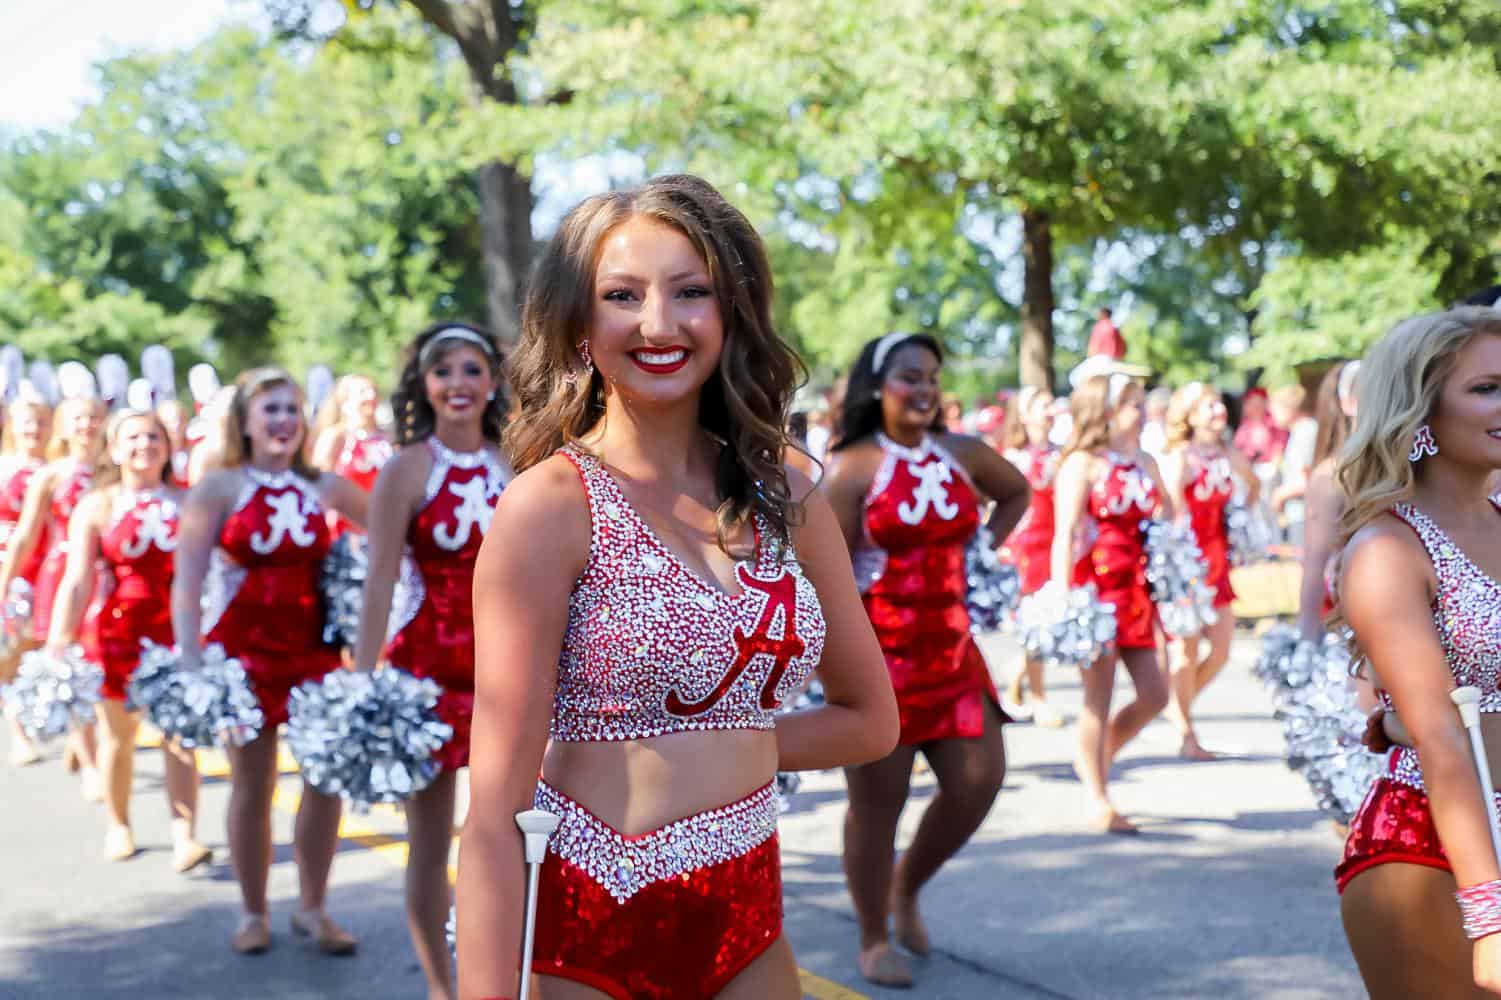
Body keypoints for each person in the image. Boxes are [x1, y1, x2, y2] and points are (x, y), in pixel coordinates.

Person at [456, 174, 899, 1000]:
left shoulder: (789, 494)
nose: (658, 324)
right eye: (620, 295)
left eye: (691, 291)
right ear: (579, 325)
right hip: (584, 925)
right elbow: (491, 818)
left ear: (730, 312)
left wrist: (740, 743)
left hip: (746, 920)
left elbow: (871, 722)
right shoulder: (549, 507)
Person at [821, 332, 1029, 987]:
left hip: (954, 655)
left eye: (932, 378)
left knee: (978, 779)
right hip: (879, 662)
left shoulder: (962, 453)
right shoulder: (852, 468)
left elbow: (1017, 492)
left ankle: (906, 887)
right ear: (876, 387)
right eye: (910, 377)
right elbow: (824, 574)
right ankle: (872, 935)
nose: (924, 390)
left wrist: (982, 553)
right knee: (877, 806)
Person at [171, 367, 368, 955]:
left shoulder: (325, 485)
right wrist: (191, 662)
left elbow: (394, 531)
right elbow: (187, 581)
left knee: (324, 779)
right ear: (246, 423)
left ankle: (313, 907)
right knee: (252, 785)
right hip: (244, 659)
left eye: (291, 410)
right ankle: (253, 912)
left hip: (314, 656)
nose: (283, 421)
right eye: (271, 410)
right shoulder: (218, 487)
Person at [1333, 307, 1501, 997]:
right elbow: (1437, 737)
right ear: (1419, 409)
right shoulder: (1385, 552)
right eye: (1486, 388)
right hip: (1428, 850)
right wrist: (1488, 919)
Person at [352, 323, 512, 1000]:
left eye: (471, 369)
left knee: (504, 827)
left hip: (511, 670)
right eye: (442, 371)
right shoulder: (406, 468)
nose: (457, 384)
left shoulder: (521, 460)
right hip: (426, 673)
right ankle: (442, 989)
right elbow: (381, 579)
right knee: (429, 836)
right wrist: (362, 680)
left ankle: (507, 972)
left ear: (493, 382)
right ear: (424, 385)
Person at [45, 409, 209, 870]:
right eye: (133, 438)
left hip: (177, 632)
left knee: (180, 736)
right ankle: (120, 824)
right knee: (119, 738)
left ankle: (185, 835)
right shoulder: (96, 505)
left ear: (167, 445)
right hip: (118, 632)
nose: (144, 446)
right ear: (114, 450)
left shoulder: (188, 501)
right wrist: (60, 637)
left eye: (154, 437)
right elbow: (77, 579)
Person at [1051, 374, 1172, 833]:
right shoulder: (1081, 463)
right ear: (1104, 410)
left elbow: (1168, 515)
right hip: (1094, 593)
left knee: (1155, 694)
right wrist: (1063, 598)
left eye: (1141, 404)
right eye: (1130, 404)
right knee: (1096, 698)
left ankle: (1096, 758)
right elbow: (1064, 533)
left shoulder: (1145, 460)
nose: (1140, 412)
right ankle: (1097, 795)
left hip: (1137, 592)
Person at [0, 395, 108, 792]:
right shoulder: (50, 476)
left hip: (107, 578)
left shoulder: (114, 473)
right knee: (71, 663)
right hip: (61, 576)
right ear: (64, 425)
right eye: (79, 418)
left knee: (102, 668)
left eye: (96, 417)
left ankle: (90, 743)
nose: (88, 425)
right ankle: (94, 765)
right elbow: (27, 536)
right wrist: (5, 584)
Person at [1157, 383, 1257, 760]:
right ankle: (1186, 731)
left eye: (1218, 403)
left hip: (1219, 561)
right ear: (1189, 415)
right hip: (1189, 566)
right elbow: (1169, 514)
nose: (1217, 410)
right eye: (1208, 405)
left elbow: (1254, 487)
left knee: (1221, 650)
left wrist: (1240, 522)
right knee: (1184, 651)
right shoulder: (1180, 457)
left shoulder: (1231, 455)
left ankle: (1175, 706)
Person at [999, 385, 1064, 728]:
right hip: (1023, 550)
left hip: (1056, 545)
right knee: (1036, 623)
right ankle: (1038, 696)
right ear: (1023, 414)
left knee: (1047, 622)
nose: (1050, 410)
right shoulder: (1010, 458)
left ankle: (1018, 675)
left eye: (1052, 403)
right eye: (1042, 404)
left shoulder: (1064, 455)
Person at [0, 396, 52, 766]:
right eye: (26, 423)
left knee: (46, 650)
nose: (33, 431)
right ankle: (18, 733)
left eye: (40, 423)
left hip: (51, 570)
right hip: (10, 569)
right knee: (9, 654)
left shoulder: (58, 471)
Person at [1296, 362, 1359, 643]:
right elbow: (1314, 562)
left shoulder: (1416, 465)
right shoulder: (1330, 476)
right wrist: (1306, 641)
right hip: (1349, 617)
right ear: (1346, 402)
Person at [311, 374, 392, 539]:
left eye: (374, 390)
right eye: (363, 392)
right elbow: (316, 487)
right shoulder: (336, 437)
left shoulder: (390, 438)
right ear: (345, 401)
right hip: (344, 533)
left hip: (384, 528)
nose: (371, 396)